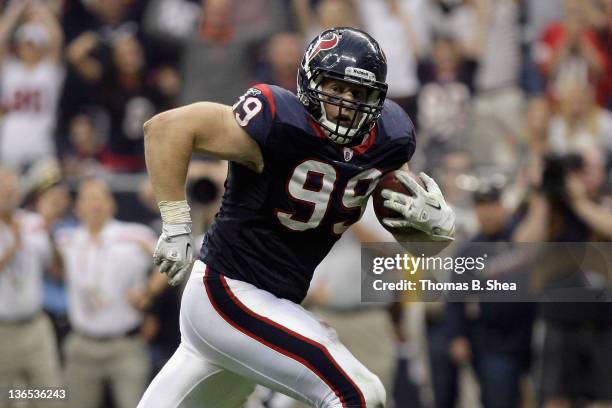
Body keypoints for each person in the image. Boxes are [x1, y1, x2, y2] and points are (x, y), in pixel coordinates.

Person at [138, 27, 456, 407]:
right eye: (336, 89)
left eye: (358, 94)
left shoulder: (389, 138)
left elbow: (409, 230)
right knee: (358, 393)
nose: (346, 104)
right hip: (229, 291)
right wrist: (175, 223)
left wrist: (433, 232)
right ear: (310, 83)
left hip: (273, 302)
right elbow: (166, 128)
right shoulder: (278, 120)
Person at [55, 179, 157, 408]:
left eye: (101, 197)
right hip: (82, 344)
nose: (95, 204)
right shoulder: (66, 239)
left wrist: (148, 290)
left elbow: (174, 258)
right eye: (88, 198)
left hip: (125, 344)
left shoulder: (135, 234)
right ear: (77, 207)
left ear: (112, 204)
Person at [0, 168, 64, 408]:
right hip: (3, 331)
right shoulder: (19, 230)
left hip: (36, 325)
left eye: (13, 188)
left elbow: (55, 270)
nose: (9, 194)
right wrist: (14, 244)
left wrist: (51, 234)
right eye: (3, 188)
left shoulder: (33, 222)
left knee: (50, 395)